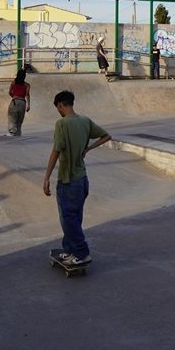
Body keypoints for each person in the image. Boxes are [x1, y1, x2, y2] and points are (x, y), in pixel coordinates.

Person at [42, 90, 111, 266]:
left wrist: (46, 177)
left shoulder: (61, 124)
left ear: (60, 105)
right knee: (75, 217)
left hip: (68, 180)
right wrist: (88, 148)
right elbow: (106, 136)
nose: (58, 111)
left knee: (68, 218)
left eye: (58, 108)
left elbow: (56, 151)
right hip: (82, 180)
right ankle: (69, 250)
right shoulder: (85, 121)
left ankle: (82, 252)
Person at [6, 69, 31, 136]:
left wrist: (14, 97)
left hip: (14, 101)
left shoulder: (13, 83)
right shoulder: (27, 85)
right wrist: (28, 105)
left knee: (12, 118)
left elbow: (10, 92)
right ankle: (18, 133)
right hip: (22, 103)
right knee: (20, 119)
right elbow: (27, 95)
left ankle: (11, 132)